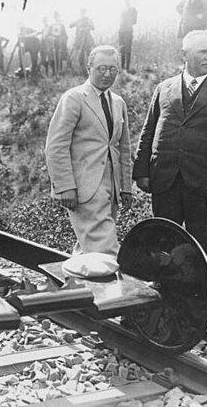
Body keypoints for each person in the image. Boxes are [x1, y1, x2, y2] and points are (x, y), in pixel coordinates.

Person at [132, 30, 207, 262]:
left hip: (204, 184)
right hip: (165, 181)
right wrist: (141, 171)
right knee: (162, 245)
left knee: (201, 248)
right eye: (202, 51)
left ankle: (199, 297)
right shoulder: (164, 88)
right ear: (184, 54)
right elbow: (149, 132)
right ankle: (163, 294)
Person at [45, 45, 132, 257]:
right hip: (84, 187)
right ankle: (120, 289)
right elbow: (56, 145)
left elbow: (124, 148)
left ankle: (79, 286)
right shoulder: (74, 98)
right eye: (101, 68)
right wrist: (65, 186)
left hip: (111, 188)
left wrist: (126, 187)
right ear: (89, 68)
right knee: (104, 249)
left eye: (113, 69)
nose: (107, 74)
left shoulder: (118, 103)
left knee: (90, 247)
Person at [70, 9, 95, 75]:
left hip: (87, 40)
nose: (83, 14)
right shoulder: (78, 20)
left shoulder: (88, 20)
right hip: (80, 40)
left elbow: (93, 27)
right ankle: (82, 70)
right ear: (80, 13)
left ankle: (90, 69)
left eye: (84, 12)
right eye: (82, 13)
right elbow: (70, 25)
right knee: (80, 55)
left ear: (85, 13)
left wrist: (85, 28)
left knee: (89, 54)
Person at [118, 0, 138, 72]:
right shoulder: (122, 10)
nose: (126, 0)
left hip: (128, 31)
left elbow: (135, 21)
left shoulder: (133, 9)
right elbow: (120, 21)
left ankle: (127, 68)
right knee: (122, 49)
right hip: (121, 31)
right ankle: (123, 68)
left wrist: (128, 20)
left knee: (128, 50)